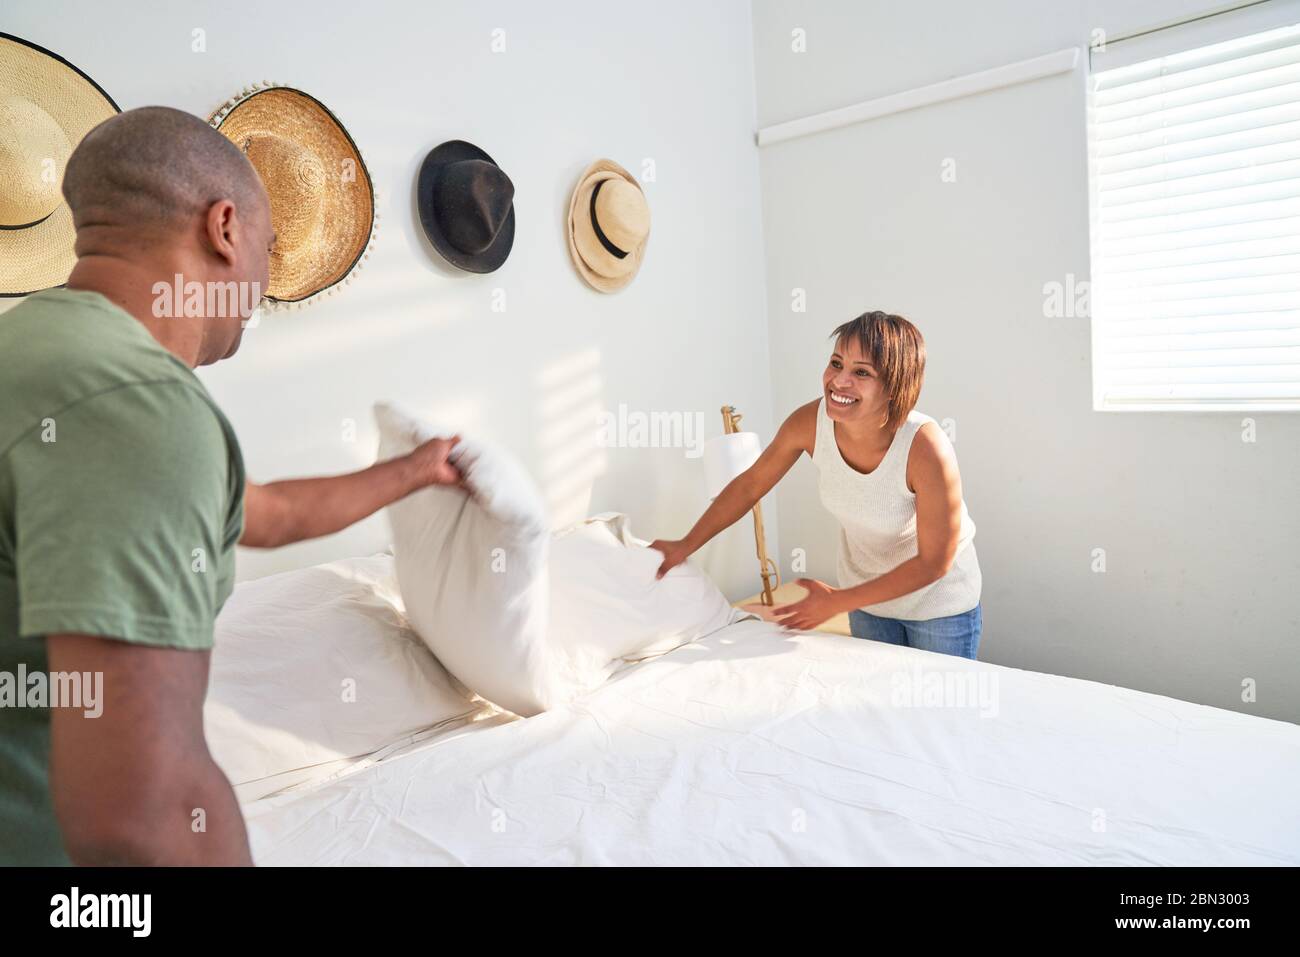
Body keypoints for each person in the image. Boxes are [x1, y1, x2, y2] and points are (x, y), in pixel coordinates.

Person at [0, 107, 462, 866]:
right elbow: (139, 812)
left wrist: (414, 471)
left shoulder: (42, 350)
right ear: (224, 228)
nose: (262, 283)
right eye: (270, 248)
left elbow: (266, 513)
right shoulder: (133, 408)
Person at [651, 311, 982, 657]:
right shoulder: (810, 422)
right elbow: (751, 484)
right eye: (836, 363)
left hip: (938, 607)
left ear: (895, 387)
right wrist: (685, 544)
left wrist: (836, 602)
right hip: (868, 603)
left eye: (862, 372)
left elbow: (934, 562)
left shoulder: (925, 448)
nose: (839, 381)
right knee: (877, 703)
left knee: (938, 709)